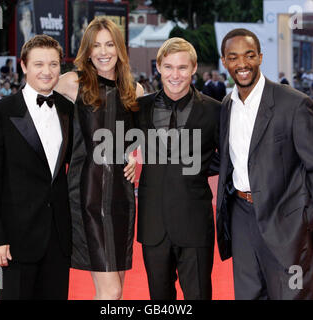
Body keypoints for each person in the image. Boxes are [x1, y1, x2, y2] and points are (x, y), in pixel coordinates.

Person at [0, 17, 141, 300]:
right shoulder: (67, 85)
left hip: (110, 205)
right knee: (111, 291)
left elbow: (141, 133)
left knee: (118, 289)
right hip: (77, 204)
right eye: (96, 45)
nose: (103, 51)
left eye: (110, 44)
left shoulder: (126, 92)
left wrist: (134, 157)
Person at [213, 28, 313, 300]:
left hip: (286, 222)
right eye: (233, 57)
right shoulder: (226, 106)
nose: (242, 64)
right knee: (248, 295)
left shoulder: (293, 104)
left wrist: (305, 218)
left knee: (292, 295)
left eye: (249, 56)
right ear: (224, 62)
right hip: (241, 219)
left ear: (260, 57)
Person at [0, 35, 74, 300]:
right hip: (13, 241)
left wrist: (129, 156)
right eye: (39, 64)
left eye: (53, 64)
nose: (47, 71)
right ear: (23, 66)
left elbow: (83, 159)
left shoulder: (68, 110)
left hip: (58, 240)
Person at [135, 37, 220, 300]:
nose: (175, 75)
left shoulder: (215, 110)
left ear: (194, 69)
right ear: (159, 67)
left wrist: (198, 166)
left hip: (194, 222)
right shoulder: (140, 108)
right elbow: (118, 145)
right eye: (169, 67)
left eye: (182, 68)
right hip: (153, 224)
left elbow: (230, 155)